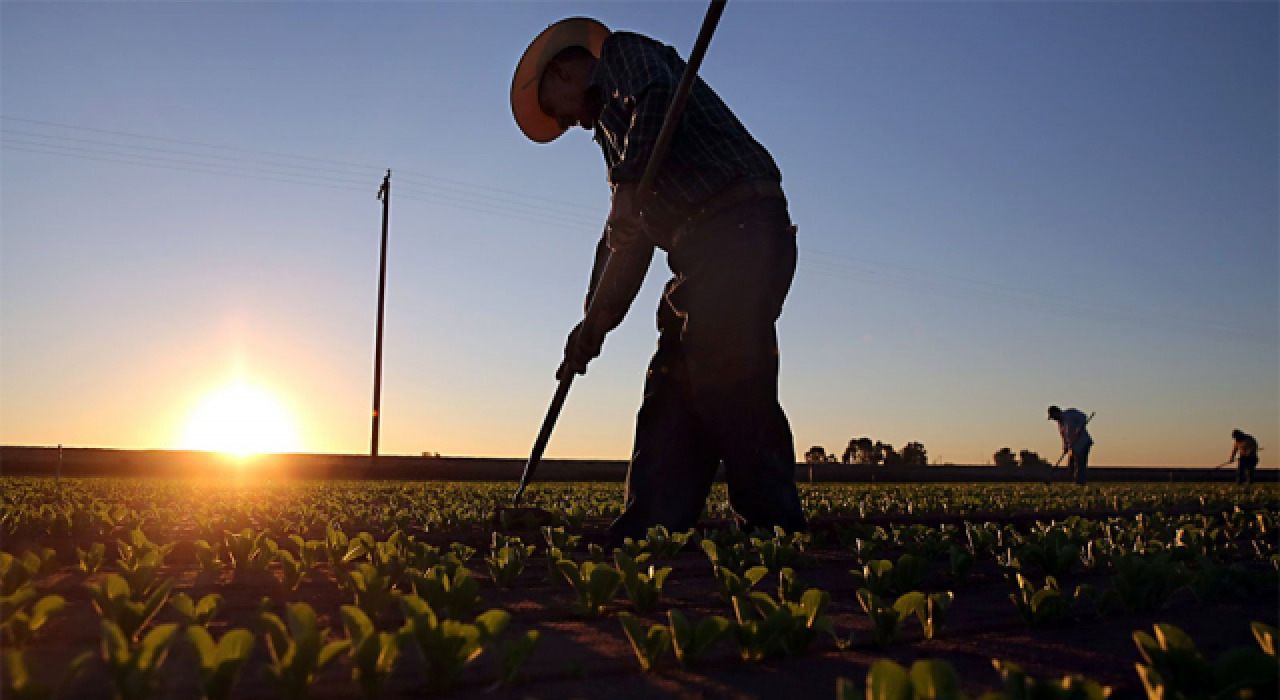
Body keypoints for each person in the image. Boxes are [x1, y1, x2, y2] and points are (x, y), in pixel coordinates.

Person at [510, 18, 807, 544]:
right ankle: (648, 530)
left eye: (560, 113)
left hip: (742, 224)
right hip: (698, 254)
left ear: (560, 72)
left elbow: (658, 94)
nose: (571, 125)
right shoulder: (613, 136)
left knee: (726, 367)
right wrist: (592, 326)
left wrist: (626, 187)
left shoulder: (625, 57)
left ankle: (774, 530)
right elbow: (626, 239)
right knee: (671, 383)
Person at [1048, 405, 1093, 486]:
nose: (1053, 419)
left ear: (1056, 412)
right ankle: (1075, 481)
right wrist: (1065, 447)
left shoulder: (1070, 413)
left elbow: (1083, 417)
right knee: (1070, 465)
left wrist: (1079, 428)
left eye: (1053, 416)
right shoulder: (1060, 424)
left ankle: (1080, 483)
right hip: (1073, 446)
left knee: (1080, 464)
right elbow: (1064, 437)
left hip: (1083, 443)